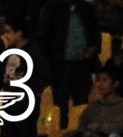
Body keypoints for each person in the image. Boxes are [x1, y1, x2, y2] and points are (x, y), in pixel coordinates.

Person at [38, 0, 102, 128]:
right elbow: (42, 40)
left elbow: (96, 35)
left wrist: (94, 48)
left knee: (82, 106)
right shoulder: (50, 9)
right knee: (60, 107)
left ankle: (81, 136)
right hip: (59, 68)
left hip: (82, 66)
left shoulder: (86, 8)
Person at [0, 15, 51, 137]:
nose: (6, 35)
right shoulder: (7, 52)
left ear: (19, 33)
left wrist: (32, 91)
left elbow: (45, 75)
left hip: (26, 105)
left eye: (8, 32)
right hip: (9, 104)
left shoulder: (34, 52)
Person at [60, 66, 123, 137]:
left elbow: (119, 128)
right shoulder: (92, 107)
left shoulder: (121, 105)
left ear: (115, 83)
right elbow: (82, 126)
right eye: (98, 80)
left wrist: (99, 127)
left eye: (104, 80)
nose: (100, 84)